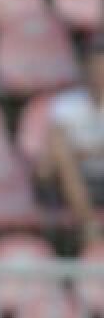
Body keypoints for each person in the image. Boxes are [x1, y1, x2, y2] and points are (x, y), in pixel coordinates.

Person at [41, 42, 104, 244]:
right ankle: (89, 225)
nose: (99, 75)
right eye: (95, 69)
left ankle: (90, 229)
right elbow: (55, 149)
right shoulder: (66, 104)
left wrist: (80, 152)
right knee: (61, 157)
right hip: (74, 177)